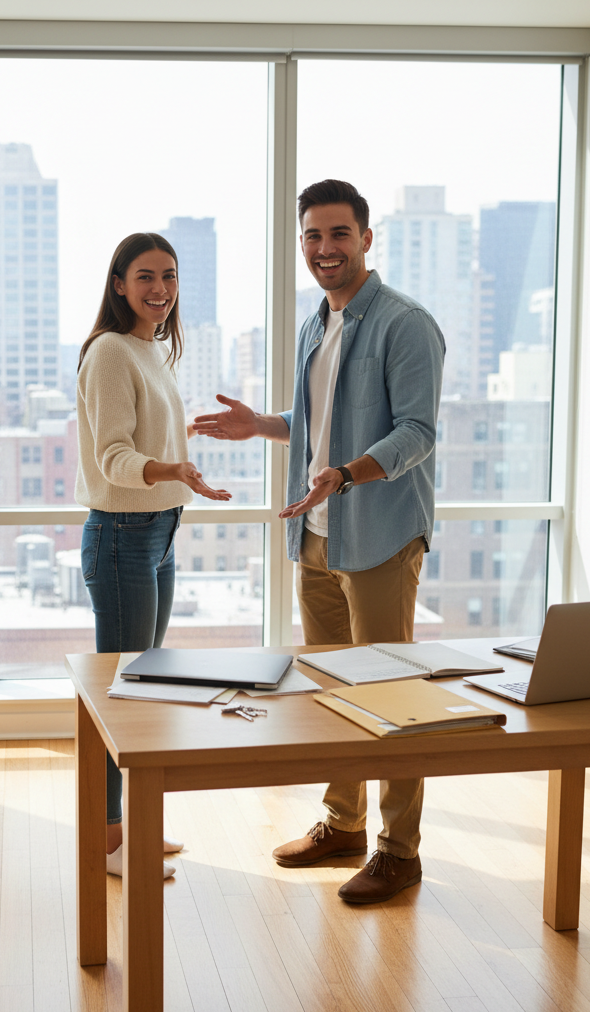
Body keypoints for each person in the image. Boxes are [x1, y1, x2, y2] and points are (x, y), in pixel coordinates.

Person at [194, 180, 445, 903]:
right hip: (317, 537)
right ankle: (345, 825)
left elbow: (418, 433)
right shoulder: (317, 326)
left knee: (393, 698)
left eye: (339, 234)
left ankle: (401, 851)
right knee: (333, 690)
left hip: (381, 537)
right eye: (312, 236)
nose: (325, 249)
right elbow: (318, 422)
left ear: (367, 239)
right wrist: (264, 426)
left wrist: (345, 474)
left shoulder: (405, 323)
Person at [76, 232, 232, 880]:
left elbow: (136, 430)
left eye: (168, 276)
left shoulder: (149, 349)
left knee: (143, 688)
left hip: (158, 532)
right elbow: (113, 456)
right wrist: (174, 465)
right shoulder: (110, 351)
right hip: (123, 536)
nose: (160, 289)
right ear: (118, 283)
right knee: (124, 697)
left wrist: (178, 434)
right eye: (145, 276)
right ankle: (110, 841)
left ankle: (126, 824)